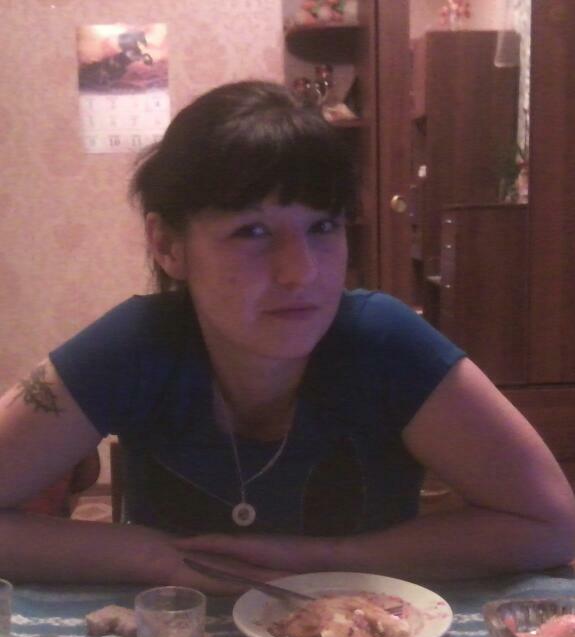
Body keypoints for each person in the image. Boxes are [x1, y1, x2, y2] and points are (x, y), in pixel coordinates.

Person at [0, 80, 573, 593]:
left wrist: (330, 560)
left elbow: (551, 523)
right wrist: (154, 555)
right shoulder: (134, 345)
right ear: (168, 245)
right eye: (252, 231)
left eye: (323, 226)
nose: (302, 272)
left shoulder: (386, 342)